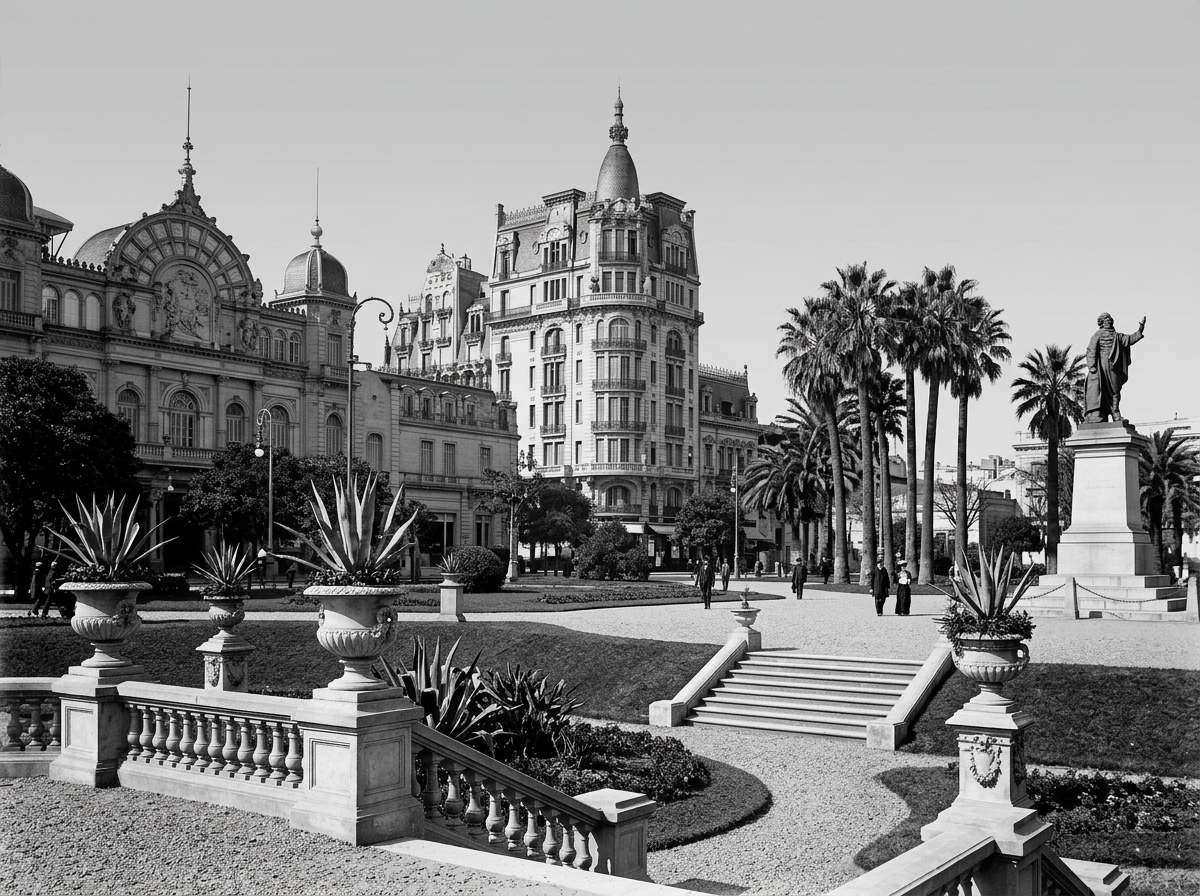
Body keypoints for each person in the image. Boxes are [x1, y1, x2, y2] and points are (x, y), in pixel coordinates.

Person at [1084, 313, 1145, 423]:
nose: (1109, 321)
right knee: (1099, 390)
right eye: (1106, 319)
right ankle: (1100, 414)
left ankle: (1116, 413)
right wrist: (1092, 366)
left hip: (1113, 366)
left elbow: (1129, 339)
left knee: (1115, 390)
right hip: (1100, 367)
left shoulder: (1117, 336)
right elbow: (1091, 350)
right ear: (1102, 322)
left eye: (1110, 319)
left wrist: (1140, 328)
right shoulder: (1097, 335)